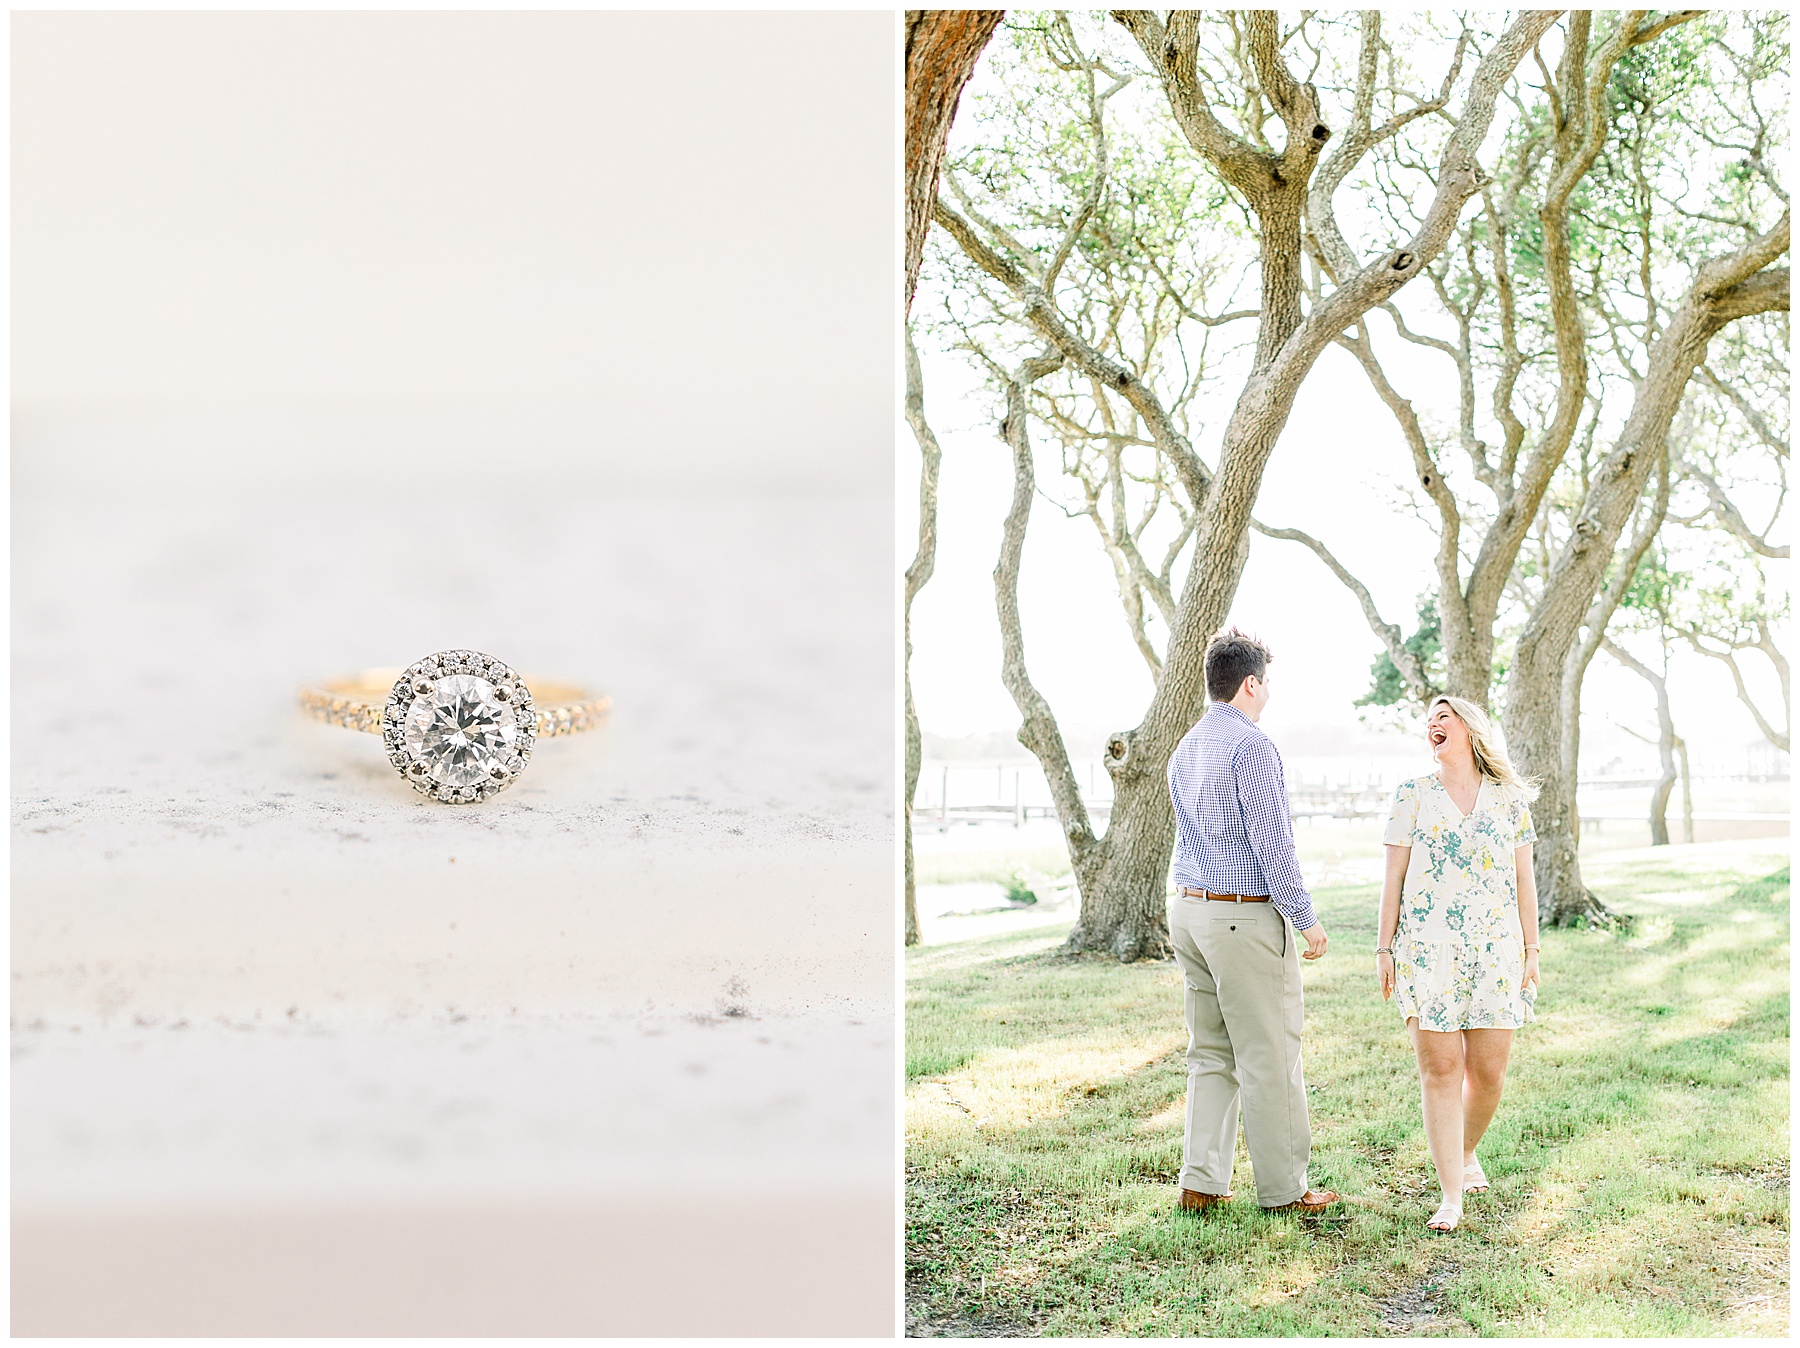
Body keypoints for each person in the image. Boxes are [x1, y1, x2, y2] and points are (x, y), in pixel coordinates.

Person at [1165, 628, 1340, 1215]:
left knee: (1210, 1051)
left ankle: (1201, 1183)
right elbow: (1273, 846)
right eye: (1266, 683)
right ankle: (1287, 1191)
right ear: (1250, 683)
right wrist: (1306, 919)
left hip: (1187, 911)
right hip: (1239, 917)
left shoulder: (1185, 747)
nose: (1268, 694)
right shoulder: (1252, 746)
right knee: (1269, 1054)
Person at [1377, 695, 1542, 1232]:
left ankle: (1463, 1149)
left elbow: (1525, 883)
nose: (1433, 726)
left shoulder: (1510, 800)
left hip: (1497, 952)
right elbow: (1394, 882)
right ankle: (1451, 1195)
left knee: (1489, 1074)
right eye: (1430, 722)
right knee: (1441, 1071)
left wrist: (1532, 951)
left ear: (1470, 730)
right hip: (1428, 952)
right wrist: (1384, 951)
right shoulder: (1412, 796)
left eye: (1444, 718)